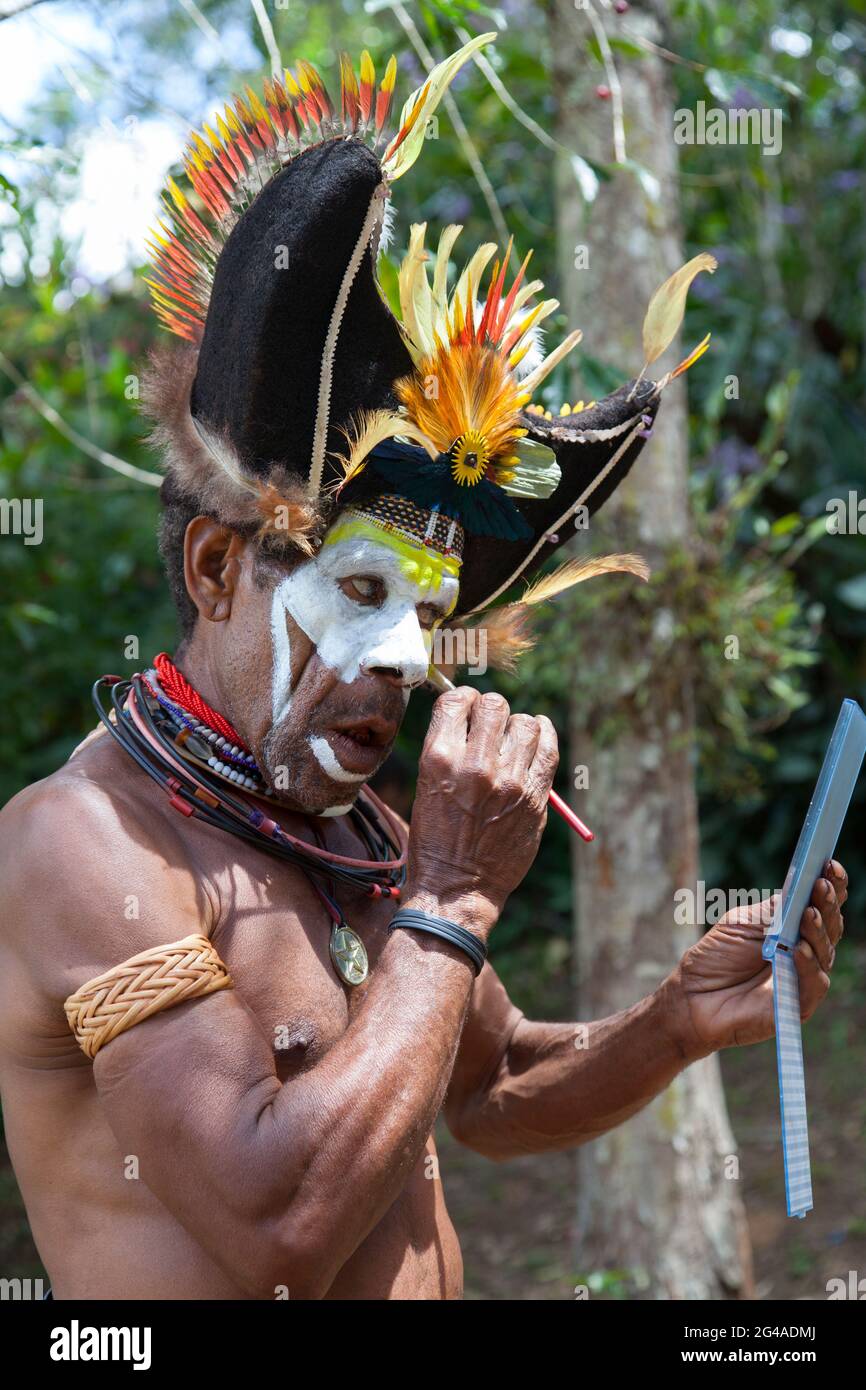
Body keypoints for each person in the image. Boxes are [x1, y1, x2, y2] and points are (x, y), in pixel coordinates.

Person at [0, 35, 847, 1301]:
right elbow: (278, 1222)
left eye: (429, 613)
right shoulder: (81, 847)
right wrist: (448, 897)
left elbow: (492, 1083)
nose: (404, 656)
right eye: (358, 591)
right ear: (218, 572)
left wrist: (674, 1020)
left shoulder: (357, 837)